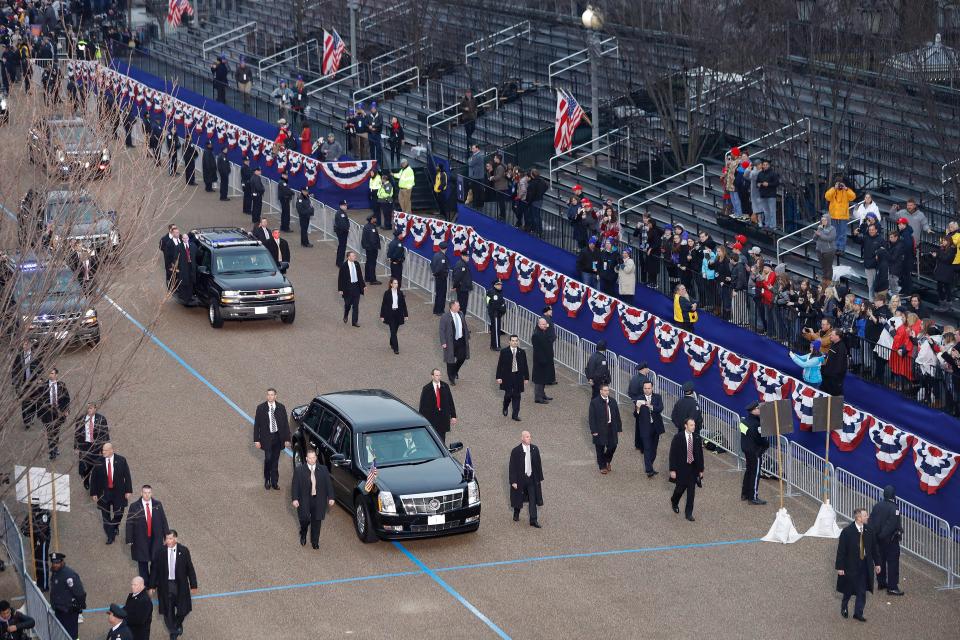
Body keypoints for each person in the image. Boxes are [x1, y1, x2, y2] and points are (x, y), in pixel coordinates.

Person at [149, 530, 198, 639]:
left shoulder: (184, 551)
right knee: (168, 611)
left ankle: (177, 623)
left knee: (183, 610)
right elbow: (154, 570)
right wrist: (152, 586)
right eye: (166, 539)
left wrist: (193, 585)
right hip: (166, 586)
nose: (168, 541)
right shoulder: (160, 552)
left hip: (180, 586)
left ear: (176, 539)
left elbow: (190, 569)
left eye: (170, 538)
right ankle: (173, 631)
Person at [835, 508, 881, 621]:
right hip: (851, 566)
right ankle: (844, 606)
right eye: (865, 515)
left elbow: (874, 549)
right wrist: (840, 567)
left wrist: (877, 563)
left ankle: (858, 613)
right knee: (849, 589)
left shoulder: (869, 530)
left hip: (865, 565)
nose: (868, 517)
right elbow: (841, 551)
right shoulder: (847, 532)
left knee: (862, 590)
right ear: (859, 518)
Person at [89, 442, 133, 545]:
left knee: (119, 513)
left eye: (105, 450)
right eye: (102, 450)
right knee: (105, 516)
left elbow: (127, 476)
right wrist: (94, 493)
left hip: (119, 492)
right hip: (104, 493)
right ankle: (110, 536)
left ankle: (114, 526)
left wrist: (128, 491)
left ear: (111, 450)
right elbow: (94, 478)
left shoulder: (121, 460)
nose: (103, 452)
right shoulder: (98, 462)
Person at [291, 450, 335, 549]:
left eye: (313, 457)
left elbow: (328, 484)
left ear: (316, 458)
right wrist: (295, 499)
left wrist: (331, 497)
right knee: (305, 519)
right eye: (309, 458)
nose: (312, 460)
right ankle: (303, 533)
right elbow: (295, 486)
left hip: (319, 499)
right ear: (306, 459)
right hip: (304, 500)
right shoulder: (299, 470)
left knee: (317, 521)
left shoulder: (323, 469)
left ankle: (315, 541)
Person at [126, 485, 169, 580]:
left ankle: (153, 584)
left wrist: (167, 535)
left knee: (155, 562)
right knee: (142, 563)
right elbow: (129, 523)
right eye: (145, 493)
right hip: (140, 540)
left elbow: (163, 520)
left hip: (156, 539)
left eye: (149, 493)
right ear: (141, 493)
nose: (147, 495)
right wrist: (129, 539)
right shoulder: (134, 506)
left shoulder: (158, 504)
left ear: (151, 493)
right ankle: (145, 584)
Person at [869, 485, 904, 596]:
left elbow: (872, 522)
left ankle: (881, 582)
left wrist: (876, 536)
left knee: (880, 561)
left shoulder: (877, 506)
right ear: (893, 495)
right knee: (893, 563)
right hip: (890, 540)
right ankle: (892, 587)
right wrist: (883, 535)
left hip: (878, 540)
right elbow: (892, 525)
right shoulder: (895, 508)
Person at [254, 388, 291, 491]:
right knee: (268, 459)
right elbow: (257, 425)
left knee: (275, 461)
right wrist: (256, 440)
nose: (270, 396)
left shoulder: (281, 408)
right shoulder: (260, 408)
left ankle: (274, 482)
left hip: (278, 438)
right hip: (267, 439)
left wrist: (287, 438)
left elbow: (285, 424)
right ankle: (267, 480)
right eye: (268, 395)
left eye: (272, 395)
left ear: (275, 396)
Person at [669, 417, 705, 522]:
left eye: (694, 425)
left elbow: (700, 455)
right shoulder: (678, 437)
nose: (693, 427)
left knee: (691, 493)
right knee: (679, 490)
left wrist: (701, 470)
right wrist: (672, 470)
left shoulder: (697, 438)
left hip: (693, 469)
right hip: (681, 469)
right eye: (691, 425)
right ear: (686, 426)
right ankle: (674, 501)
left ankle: (689, 513)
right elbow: (673, 454)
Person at [509, 431, 544, 528]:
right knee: (519, 498)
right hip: (521, 479)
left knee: (533, 499)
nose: (529, 438)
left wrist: (539, 478)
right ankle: (516, 512)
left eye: (530, 436)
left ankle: (533, 520)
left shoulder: (534, 449)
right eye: (527, 437)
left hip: (531, 478)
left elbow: (538, 464)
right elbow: (512, 467)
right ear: (522, 438)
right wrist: (513, 481)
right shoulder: (516, 451)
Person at [49, 553, 86, 639]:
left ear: (62, 562)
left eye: (57, 563)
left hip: (69, 611)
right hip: (59, 609)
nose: (55, 565)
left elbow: (79, 592)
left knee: (72, 635)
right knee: (61, 633)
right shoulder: (55, 573)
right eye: (53, 563)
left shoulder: (69, 575)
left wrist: (81, 606)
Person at [632, 380, 665, 477]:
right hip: (645, 427)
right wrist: (637, 408)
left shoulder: (657, 397)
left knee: (654, 449)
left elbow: (660, 408)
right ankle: (649, 470)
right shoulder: (639, 398)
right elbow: (635, 415)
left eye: (649, 388)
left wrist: (651, 406)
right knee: (647, 448)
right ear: (643, 389)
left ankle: (649, 464)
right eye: (645, 388)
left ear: (652, 388)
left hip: (656, 427)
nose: (647, 390)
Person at [739, 401, 769, 505]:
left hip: (746, 450)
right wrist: (766, 444)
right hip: (755, 451)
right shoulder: (756, 424)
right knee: (755, 474)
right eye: (758, 408)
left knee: (749, 471)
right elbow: (760, 439)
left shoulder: (744, 422)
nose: (760, 410)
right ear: (754, 410)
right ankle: (753, 497)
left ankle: (745, 493)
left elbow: (744, 434)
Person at [588, 384, 622, 474]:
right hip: (600, 428)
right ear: (601, 391)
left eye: (608, 390)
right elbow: (591, 418)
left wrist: (619, 428)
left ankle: (607, 460)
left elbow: (617, 415)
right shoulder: (594, 402)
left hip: (611, 427)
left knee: (613, 445)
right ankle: (602, 466)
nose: (607, 392)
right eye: (605, 390)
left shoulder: (613, 401)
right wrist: (593, 430)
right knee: (600, 448)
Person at [74, 402, 109, 490]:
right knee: (86, 466)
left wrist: (105, 448)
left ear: (95, 409)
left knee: (96, 465)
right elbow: (77, 433)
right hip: (84, 446)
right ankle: (86, 479)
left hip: (96, 446)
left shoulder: (101, 419)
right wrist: (76, 447)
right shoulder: (80, 419)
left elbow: (105, 433)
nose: (89, 410)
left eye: (91, 408)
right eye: (88, 408)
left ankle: (95, 482)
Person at [417, 368, 458, 443]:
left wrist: (453, 416)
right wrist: (422, 420)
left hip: (443, 418)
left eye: (439, 375)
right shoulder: (426, 388)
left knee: (442, 440)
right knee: (431, 440)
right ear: (432, 376)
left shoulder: (445, 386)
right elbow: (422, 406)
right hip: (432, 419)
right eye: (436, 375)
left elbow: (450, 401)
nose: (438, 377)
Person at [496, 335, 529, 421]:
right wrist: (498, 377)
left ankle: (515, 415)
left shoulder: (521, 352)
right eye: (513, 341)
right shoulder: (504, 352)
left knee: (517, 396)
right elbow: (500, 365)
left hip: (518, 376)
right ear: (509, 342)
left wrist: (526, 377)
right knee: (508, 395)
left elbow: (525, 365)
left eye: (516, 341)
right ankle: (505, 406)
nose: (515, 342)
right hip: (507, 376)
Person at [39, 368, 70, 460]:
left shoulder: (61, 385)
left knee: (56, 432)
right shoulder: (43, 386)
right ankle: (52, 451)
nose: (50, 375)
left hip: (58, 413)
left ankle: (55, 448)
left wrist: (66, 410)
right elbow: (39, 400)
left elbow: (66, 398)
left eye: (52, 373)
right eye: (49, 373)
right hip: (47, 413)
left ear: (56, 375)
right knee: (50, 433)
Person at [440, 300, 470, 384]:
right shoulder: (445, 317)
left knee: (462, 357)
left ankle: (455, 371)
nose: (459, 307)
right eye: (458, 306)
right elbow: (441, 330)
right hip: (450, 342)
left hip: (461, 340)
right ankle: (451, 378)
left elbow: (464, 325)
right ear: (452, 307)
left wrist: (467, 335)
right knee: (450, 360)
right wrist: (443, 342)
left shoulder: (461, 314)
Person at [825, 180, 856, 258]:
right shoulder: (833, 191)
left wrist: (846, 188)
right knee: (834, 233)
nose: (839, 186)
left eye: (840, 185)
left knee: (842, 233)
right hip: (834, 216)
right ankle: (835, 248)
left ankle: (841, 249)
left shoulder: (846, 191)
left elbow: (853, 197)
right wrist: (834, 188)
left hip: (843, 216)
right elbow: (827, 196)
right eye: (838, 185)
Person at [379, 277, 409, 355]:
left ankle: (392, 342)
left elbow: (403, 305)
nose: (396, 285)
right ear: (391, 284)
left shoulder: (400, 293)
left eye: (397, 283)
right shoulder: (387, 293)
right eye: (395, 283)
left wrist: (406, 315)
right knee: (392, 330)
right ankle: (396, 348)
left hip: (398, 314)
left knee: (394, 331)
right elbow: (384, 305)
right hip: (390, 314)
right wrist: (382, 316)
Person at [530, 318, 555, 404]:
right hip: (540, 361)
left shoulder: (544, 331)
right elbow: (537, 349)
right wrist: (542, 359)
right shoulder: (536, 335)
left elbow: (551, 338)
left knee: (544, 378)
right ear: (539, 324)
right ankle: (538, 397)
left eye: (545, 324)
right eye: (543, 324)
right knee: (539, 379)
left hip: (546, 359)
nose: (545, 326)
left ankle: (542, 394)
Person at [338, 252, 365, 326]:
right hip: (348, 287)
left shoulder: (356, 264)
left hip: (356, 286)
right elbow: (340, 278)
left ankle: (354, 322)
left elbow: (360, 275)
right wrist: (340, 289)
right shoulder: (344, 266)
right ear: (348, 257)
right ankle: (346, 314)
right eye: (353, 256)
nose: (354, 257)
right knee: (347, 304)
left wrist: (363, 285)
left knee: (356, 305)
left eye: (354, 256)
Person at [821, 329, 849, 395]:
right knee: (823, 393)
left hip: (834, 378)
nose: (830, 336)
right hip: (827, 375)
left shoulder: (841, 347)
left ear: (838, 336)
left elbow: (839, 364)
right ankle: (822, 405)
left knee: (835, 397)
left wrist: (834, 376)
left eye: (832, 335)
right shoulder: (833, 344)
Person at [814, 214, 837, 283]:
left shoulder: (832, 229)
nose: (823, 221)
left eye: (825, 220)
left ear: (828, 220)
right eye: (822, 220)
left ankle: (829, 281)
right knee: (823, 267)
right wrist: (817, 233)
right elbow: (814, 238)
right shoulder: (819, 227)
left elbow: (830, 238)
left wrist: (820, 234)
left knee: (828, 267)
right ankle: (824, 280)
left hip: (829, 251)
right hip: (819, 250)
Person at [360, 214, 382, 284]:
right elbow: (373, 239)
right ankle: (372, 279)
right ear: (372, 219)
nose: (376, 219)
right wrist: (376, 246)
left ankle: (367, 277)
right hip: (372, 248)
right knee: (372, 263)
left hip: (368, 247)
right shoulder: (371, 227)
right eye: (375, 218)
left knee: (368, 262)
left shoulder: (367, 226)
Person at [486, 279, 507, 350]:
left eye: (501, 284)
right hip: (495, 314)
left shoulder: (495, 292)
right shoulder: (494, 293)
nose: (500, 286)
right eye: (499, 284)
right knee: (495, 330)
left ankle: (493, 345)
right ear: (495, 285)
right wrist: (502, 307)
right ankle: (496, 346)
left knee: (495, 330)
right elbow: (496, 305)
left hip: (496, 313)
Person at [431, 242, 451, 315]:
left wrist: (434, 272)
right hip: (441, 277)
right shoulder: (442, 257)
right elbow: (440, 268)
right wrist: (446, 272)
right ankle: (440, 310)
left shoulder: (436, 255)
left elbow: (431, 264)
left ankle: (436, 309)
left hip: (438, 277)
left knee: (438, 294)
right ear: (446, 248)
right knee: (441, 294)